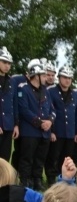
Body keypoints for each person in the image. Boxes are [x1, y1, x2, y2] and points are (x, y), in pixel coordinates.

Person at [15, 62, 53, 190]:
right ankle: (25, 180)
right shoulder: (23, 89)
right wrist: (40, 122)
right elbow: (24, 109)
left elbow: (52, 110)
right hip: (30, 131)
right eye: (43, 75)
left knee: (40, 159)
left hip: (45, 132)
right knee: (27, 158)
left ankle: (37, 180)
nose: (46, 77)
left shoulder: (46, 91)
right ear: (36, 76)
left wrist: (50, 121)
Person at [45, 66, 77, 186]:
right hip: (57, 131)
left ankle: (64, 179)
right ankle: (51, 179)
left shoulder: (75, 94)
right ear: (59, 78)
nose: (67, 80)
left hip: (70, 132)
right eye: (65, 77)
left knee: (67, 157)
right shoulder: (51, 91)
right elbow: (49, 111)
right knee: (53, 156)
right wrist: (52, 131)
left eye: (69, 78)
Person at [0, 46, 17, 161]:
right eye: (4, 62)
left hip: (8, 125)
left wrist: (16, 124)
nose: (7, 66)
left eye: (9, 63)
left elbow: (14, 104)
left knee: (5, 158)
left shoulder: (12, 81)